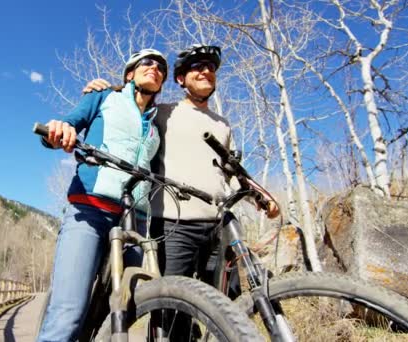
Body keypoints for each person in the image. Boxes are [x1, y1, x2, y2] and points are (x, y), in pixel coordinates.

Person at [83, 45, 279, 290]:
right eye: (197, 67)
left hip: (217, 225)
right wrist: (105, 88)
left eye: (211, 67)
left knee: (228, 304)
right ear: (180, 79)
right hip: (173, 225)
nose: (206, 71)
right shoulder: (163, 113)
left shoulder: (223, 125)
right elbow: (132, 107)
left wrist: (261, 198)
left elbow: (235, 172)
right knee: (172, 307)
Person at [36, 48, 168, 342]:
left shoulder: (157, 126)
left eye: (161, 67)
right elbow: (69, 123)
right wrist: (59, 131)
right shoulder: (104, 97)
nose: (156, 68)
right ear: (130, 73)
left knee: (124, 310)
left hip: (136, 220)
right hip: (91, 210)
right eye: (148, 62)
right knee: (68, 312)